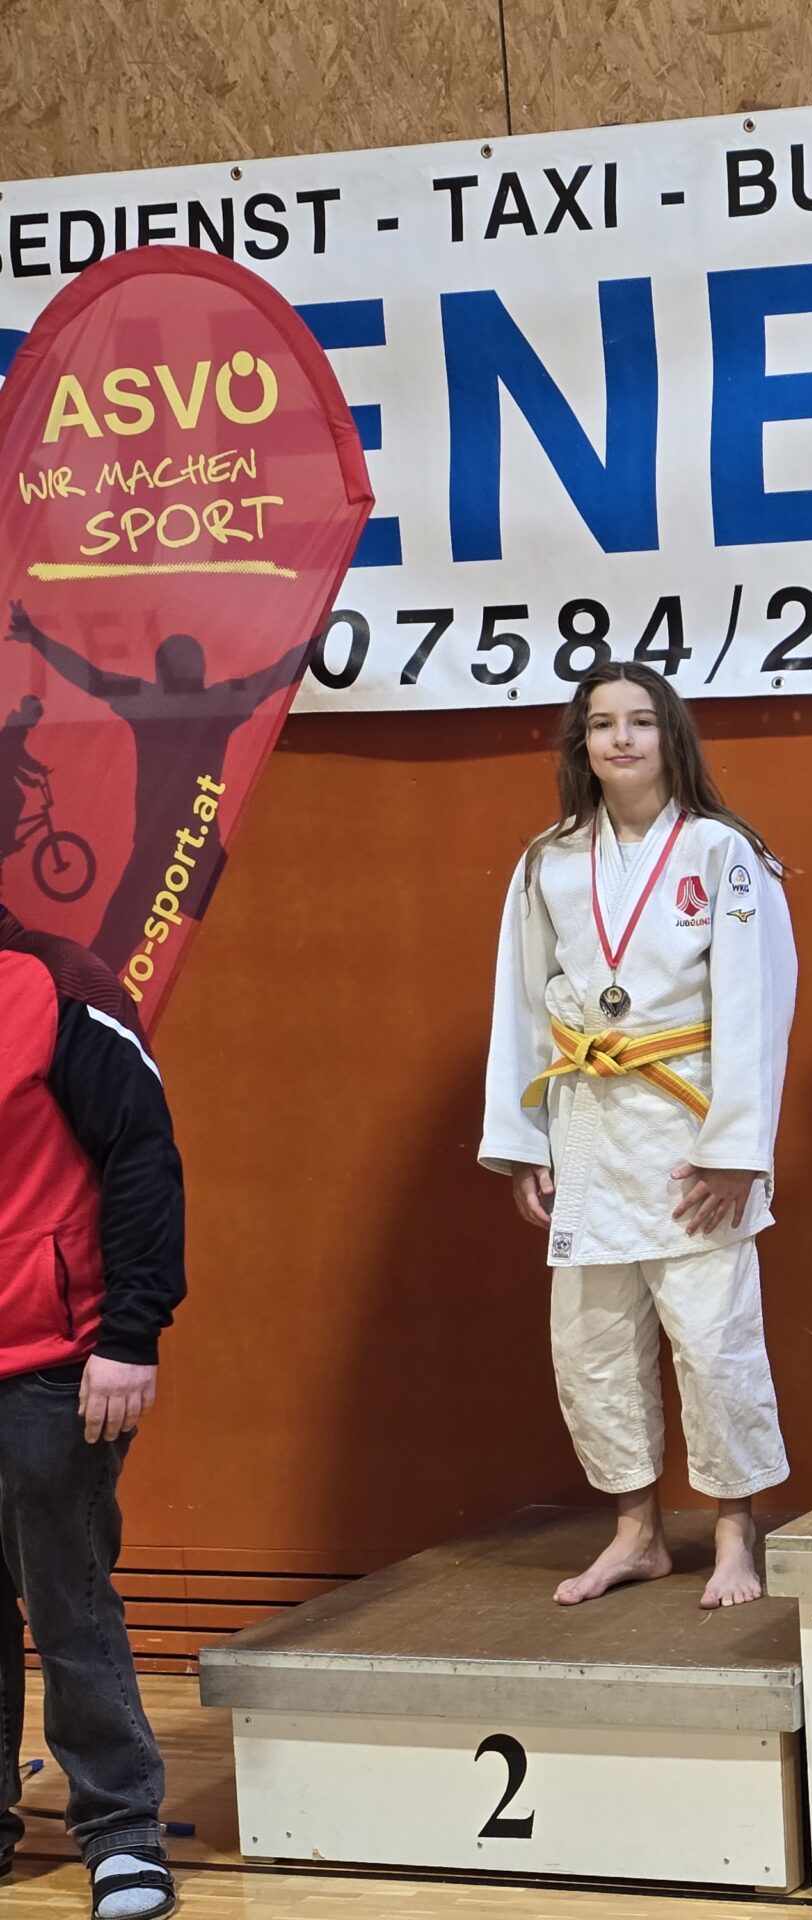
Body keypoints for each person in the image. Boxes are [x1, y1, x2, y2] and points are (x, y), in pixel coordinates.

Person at [477, 663, 797, 1610]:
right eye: (601, 723)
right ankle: (636, 1532)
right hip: (587, 1121)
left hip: (689, 1126)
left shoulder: (721, 851)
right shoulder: (548, 862)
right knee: (591, 1347)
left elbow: (757, 1002)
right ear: (580, 745)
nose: (621, 738)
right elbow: (520, 1003)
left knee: (715, 1342)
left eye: (640, 722)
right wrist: (524, 1140)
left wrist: (736, 1150)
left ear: (671, 737)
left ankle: (735, 1531)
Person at [0, 895, 187, 1918]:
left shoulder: (62, 985)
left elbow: (142, 1156)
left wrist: (130, 1333)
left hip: (56, 1358)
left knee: (66, 1594)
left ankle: (120, 1830)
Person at [6, 604, 305, 958]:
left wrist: (36, 637)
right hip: (193, 851)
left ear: (160, 670)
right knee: (257, 930)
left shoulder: (147, 702)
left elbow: (86, 675)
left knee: (109, 952)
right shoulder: (219, 703)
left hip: (163, 855)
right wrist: (322, 630)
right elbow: (279, 671)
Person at [0, 696, 46, 857]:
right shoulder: (16, 729)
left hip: (4, 772)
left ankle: (5, 839)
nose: (37, 721)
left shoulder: (16, 727)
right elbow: (18, 757)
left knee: (10, 803)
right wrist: (37, 769)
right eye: (36, 715)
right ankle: (6, 841)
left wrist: (27, 778)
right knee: (17, 799)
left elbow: (13, 760)